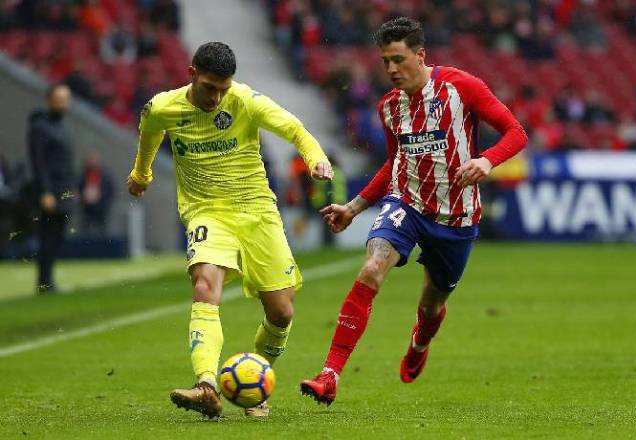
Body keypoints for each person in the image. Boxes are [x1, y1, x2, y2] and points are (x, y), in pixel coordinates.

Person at [300, 17, 528, 404]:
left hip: (456, 217)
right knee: (372, 269)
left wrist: (487, 161)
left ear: (421, 56)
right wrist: (354, 208)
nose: (391, 69)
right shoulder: (389, 107)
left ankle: (420, 342)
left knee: (432, 304)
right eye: (385, 61)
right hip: (407, 204)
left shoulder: (462, 87)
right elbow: (395, 163)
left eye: (399, 59)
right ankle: (330, 374)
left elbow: (516, 133)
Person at [126, 42, 333, 418]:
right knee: (205, 286)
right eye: (209, 87)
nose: (217, 96)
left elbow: (294, 129)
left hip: (257, 211)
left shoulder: (245, 100)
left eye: (223, 88)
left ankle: (253, 384)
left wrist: (316, 158)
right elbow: (150, 134)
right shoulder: (162, 108)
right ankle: (206, 385)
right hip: (206, 212)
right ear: (192, 74)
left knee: (282, 312)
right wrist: (142, 173)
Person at [27, 83, 76, 294]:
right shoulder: (40, 127)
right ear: (49, 100)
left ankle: (48, 280)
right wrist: (45, 192)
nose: (64, 103)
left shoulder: (63, 127)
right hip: (50, 192)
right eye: (60, 99)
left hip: (64, 190)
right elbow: (39, 163)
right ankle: (44, 282)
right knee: (48, 237)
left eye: (67, 99)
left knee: (57, 237)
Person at [79, 150, 115, 235]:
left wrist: (101, 196)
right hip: (86, 209)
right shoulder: (83, 175)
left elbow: (111, 190)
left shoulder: (106, 175)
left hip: (101, 208)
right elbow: (77, 188)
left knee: (102, 231)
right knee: (85, 231)